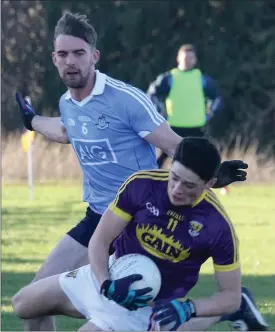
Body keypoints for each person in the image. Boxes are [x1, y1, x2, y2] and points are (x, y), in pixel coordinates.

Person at [15, 12, 248, 331]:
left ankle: (221, 310)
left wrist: (215, 173)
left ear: (94, 56)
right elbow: (63, 130)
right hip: (98, 216)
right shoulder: (68, 104)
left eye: (79, 53)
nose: (71, 61)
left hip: (141, 219)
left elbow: (173, 145)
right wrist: (32, 121)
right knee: (33, 302)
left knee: (142, 313)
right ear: (55, 58)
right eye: (64, 54)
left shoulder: (126, 101)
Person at [12, 137, 268, 331]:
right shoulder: (142, 184)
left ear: (210, 185)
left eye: (189, 185)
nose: (177, 189)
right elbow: (100, 240)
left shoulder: (217, 226)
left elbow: (230, 296)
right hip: (109, 276)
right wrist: (105, 283)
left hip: (144, 306)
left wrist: (189, 308)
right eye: (174, 177)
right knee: (24, 304)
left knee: (168, 319)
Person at [147, 44, 223, 168]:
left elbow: (216, 98)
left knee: (201, 159)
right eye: (185, 58)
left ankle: (209, 183)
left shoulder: (202, 79)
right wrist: (160, 112)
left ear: (195, 60)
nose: (188, 61)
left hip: (197, 127)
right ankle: (150, 182)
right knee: (163, 158)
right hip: (173, 126)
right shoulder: (169, 78)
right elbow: (152, 95)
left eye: (191, 58)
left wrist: (209, 114)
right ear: (178, 58)